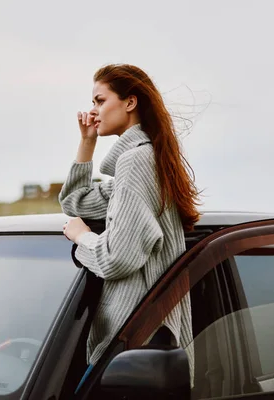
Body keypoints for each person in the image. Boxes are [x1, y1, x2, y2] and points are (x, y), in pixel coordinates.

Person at [59, 64, 200, 388]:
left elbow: (115, 259)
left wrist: (83, 237)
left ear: (130, 102)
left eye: (99, 100)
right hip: (142, 348)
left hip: (135, 347)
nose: (93, 111)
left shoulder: (137, 161)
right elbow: (75, 201)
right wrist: (87, 142)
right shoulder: (145, 161)